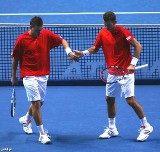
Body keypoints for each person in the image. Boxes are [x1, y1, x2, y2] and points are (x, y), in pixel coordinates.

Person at [74, 11, 153, 141]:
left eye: (109, 25)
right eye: (105, 25)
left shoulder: (123, 32)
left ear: (115, 22)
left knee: (130, 101)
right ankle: (112, 129)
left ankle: (146, 126)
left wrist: (132, 64)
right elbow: (95, 48)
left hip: (126, 73)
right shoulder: (102, 32)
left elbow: (138, 46)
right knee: (109, 99)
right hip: (112, 73)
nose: (107, 27)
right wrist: (82, 53)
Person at [11, 16, 79, 144]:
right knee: (36, 103)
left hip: (43, 75)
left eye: (40, 30)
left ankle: (26, 119)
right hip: (28, 74)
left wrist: (69, 52)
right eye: (37, 30)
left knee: (39, 103)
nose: (39, 32)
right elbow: (15, 59)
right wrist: (13, 76)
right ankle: (42, 134)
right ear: (31, 27)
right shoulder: (21, 40)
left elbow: (62, 40)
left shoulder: (45, 34)